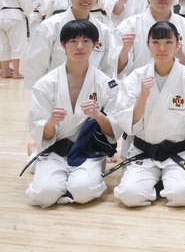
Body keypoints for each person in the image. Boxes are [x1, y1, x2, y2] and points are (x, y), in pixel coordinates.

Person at [112, 21, 185, 207]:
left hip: (180, 152)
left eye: (168, 42)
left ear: (177, 44)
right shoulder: (136, 77)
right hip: (144, 152)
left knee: (182, 196)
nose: (162, 48)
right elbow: (128, 124)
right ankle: (158, 181)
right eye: (156, 42)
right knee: (129, 196)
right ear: (148, 45)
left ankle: (165, 181)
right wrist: (143, 96)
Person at [26, 20, 120, 207]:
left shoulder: (106, 84)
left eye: (86, 41)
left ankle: (47, 169)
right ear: (63, 44)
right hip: (55, 149)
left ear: (95, 44)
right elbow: (39, 129)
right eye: (73, 41)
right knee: (44, 195)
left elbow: (114, 131)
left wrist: (98, 115)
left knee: (83, 192)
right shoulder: (46, 84)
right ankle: (35, 157)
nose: (80, 47)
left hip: (88, 150)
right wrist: (51, 122)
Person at [25, 0, 120, 89]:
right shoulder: (51, 26)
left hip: (92, 94)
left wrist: (107, 93)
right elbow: (36, 66)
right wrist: (38, 94)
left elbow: (107, 69)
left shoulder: (103, 30)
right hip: (57, 91)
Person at [115, 0, 185, 78]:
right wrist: (125, 50)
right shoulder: (129, 26)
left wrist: (180, 55)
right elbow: (116, 69)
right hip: (139, 86)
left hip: (177, 86)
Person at [0, 0, 34, 78]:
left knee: (3, 46)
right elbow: (27, 5)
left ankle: (5, 72)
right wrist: (29, 11)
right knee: (16, 45)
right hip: (14, 17)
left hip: (1, 16)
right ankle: (16, 73)